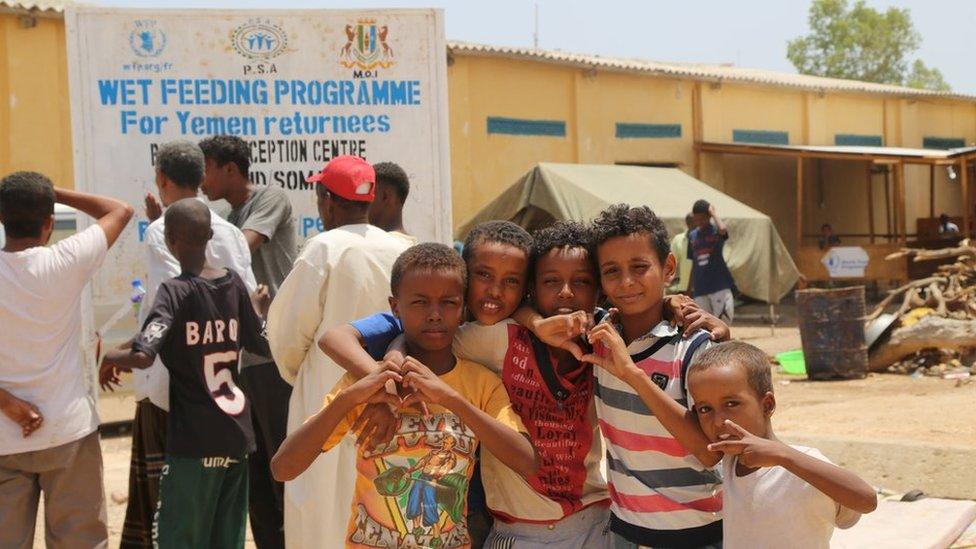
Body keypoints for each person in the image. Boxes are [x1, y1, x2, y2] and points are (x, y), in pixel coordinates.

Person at [271, 243, 537, 548]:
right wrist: (350, 398)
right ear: (395, 307)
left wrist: (450, 398)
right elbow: (283, 468)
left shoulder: (481, 384)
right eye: (420, 302)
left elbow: (527, 461)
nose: (435, 314)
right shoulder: (363, 385)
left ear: (463, 306)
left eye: (448, 302)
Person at [110, 140, 257, 549]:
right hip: (228, 398)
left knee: (172, 519)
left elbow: (166, 308)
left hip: (177, 396)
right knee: (222, 525)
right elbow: (244, 313)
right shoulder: (229, 234)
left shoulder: (163, 234)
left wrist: (118, 352)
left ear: (161, 180)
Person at [266, 155, 411, 549]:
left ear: (326, 200)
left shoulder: (323, 249)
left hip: (326, 402)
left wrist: (304, 378)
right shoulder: (403, 248)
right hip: (393, 399)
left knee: (321, 515)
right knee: (380, 510)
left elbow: (286, 333)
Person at [0, 172, 133, 548]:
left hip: (4, 441)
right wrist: (52, 191)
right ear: (49, 222)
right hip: (68, 433)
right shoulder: (65, 261)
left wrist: (9, 405)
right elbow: (119, 210)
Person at [583, 203, 724, 549]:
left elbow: (710, 452)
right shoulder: (597, 335)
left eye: (640, 267)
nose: (626, 282)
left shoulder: (695, 348)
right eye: (611, 271)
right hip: (626, 531)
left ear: (668, 268)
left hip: (697, 531)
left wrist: (632, 375)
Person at [199, 134, 297, 548]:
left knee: (283, 464)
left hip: (274, 356)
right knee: (253, 469)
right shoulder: (219, 214)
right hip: (239, 361)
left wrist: (175, 227)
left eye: (206, 169)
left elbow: (240, 248)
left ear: (230, 170)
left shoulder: (270, 199)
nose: (202, 181)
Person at [688, 342, 876, 547]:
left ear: (767, 405)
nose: (718, 421)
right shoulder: (730, 461)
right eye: (705, 409)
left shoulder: (800, 465)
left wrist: (782, 456)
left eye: (732, 404)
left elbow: (867, 500)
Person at [688, 199, 736, 323]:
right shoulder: (692, 236)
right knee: (704, 326)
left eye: (702, 218)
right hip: (700, 288)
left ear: (709, 217)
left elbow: (723, 229)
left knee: (723, 322)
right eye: (697, 219)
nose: (699, 222)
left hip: (718, 286)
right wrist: (689, 290)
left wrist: (713, 212)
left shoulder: (715, 232)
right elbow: (693, 264)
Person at [369, 161, 418, 245]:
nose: (363, 201)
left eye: (369, 193)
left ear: (385, 196)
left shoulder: (381, 246)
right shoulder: (413, 247)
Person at [669, 213, 695, 294]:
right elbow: (671, 262)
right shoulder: (678, 239)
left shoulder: (705, 239)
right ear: (687, 223)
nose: (695, 224)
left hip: (702, 288)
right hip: (684, 287)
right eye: (692, 222)